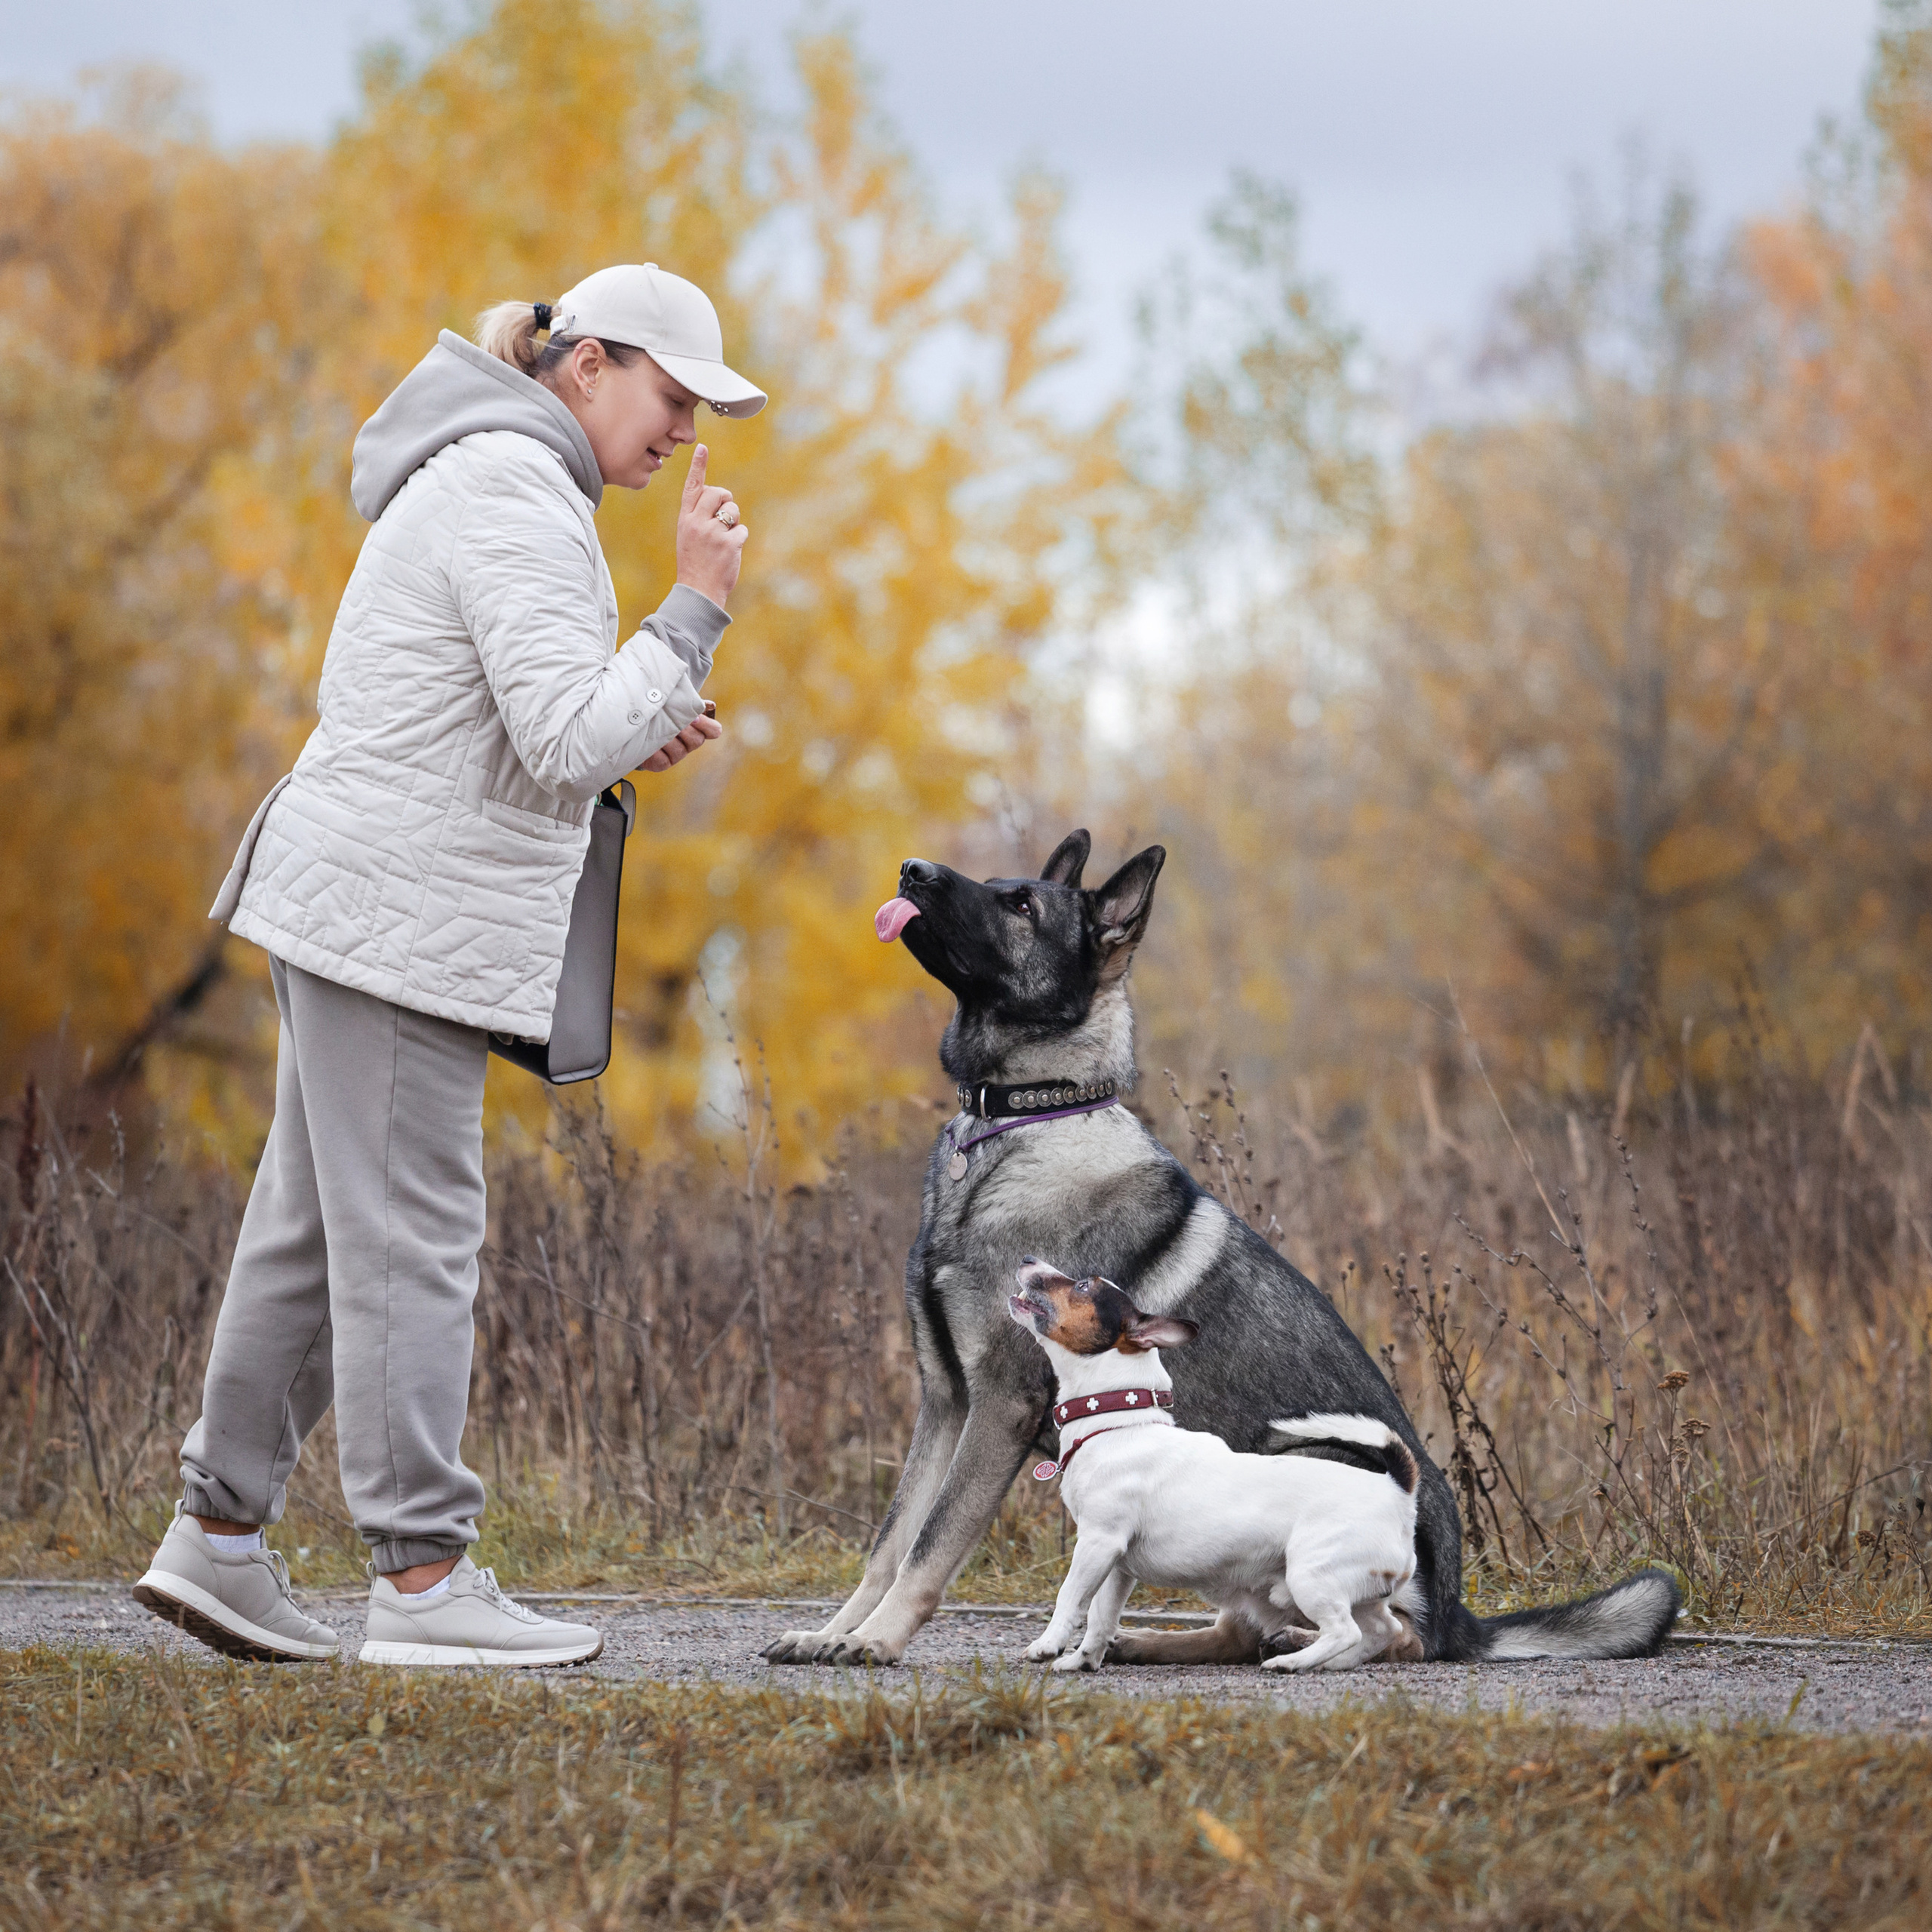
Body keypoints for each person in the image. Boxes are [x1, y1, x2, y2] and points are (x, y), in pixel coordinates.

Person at [131, 263, 764, 1667]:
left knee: (310, 1237)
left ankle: (218, 1541)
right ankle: (424, 1581)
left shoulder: (501, 473)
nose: (679, 433)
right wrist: (692, 611)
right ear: (587, 364)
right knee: (418, 1236)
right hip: (399, 923)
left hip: (365, 906)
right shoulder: (515, 488)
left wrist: (636, 708)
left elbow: (530, 727)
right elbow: (555, 736)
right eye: (670, 397)